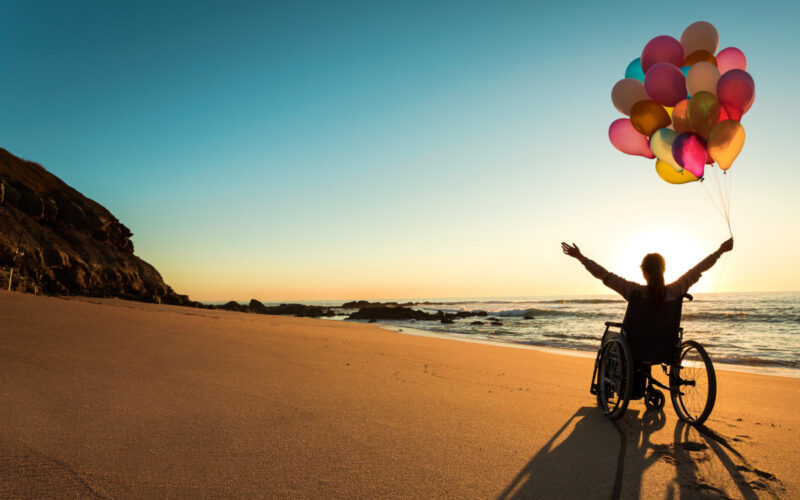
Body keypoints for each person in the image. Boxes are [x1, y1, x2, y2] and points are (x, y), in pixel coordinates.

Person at [560, 238, 734, 304]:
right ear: (664, 269)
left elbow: (603, 275)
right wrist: (720, 251)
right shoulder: (676, 290)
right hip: (664, 346)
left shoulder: (633, 291)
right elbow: (697, 269)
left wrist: (581, 258)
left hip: (635, 346)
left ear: (643, 272)